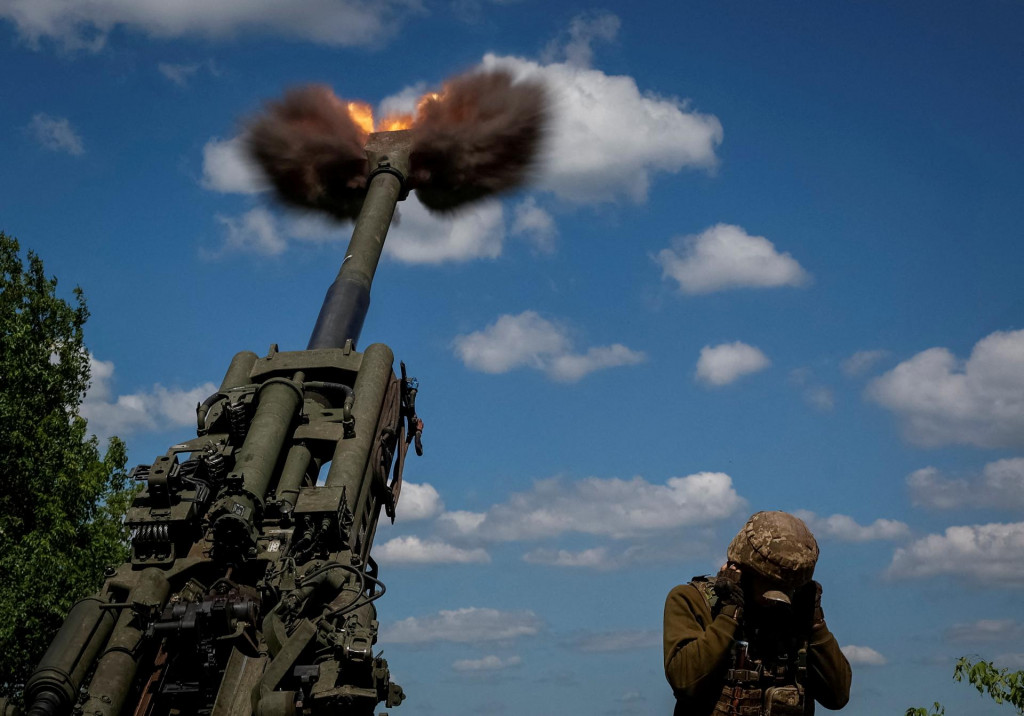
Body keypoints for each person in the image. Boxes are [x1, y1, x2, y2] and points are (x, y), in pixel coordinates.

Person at [663, 511, 852, 715]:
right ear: (739, 570)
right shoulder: (693, 600)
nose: (773, 604)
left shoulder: (798, 614)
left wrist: (815, 624)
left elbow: (837, 696)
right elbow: (685, 682)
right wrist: (729, 614)